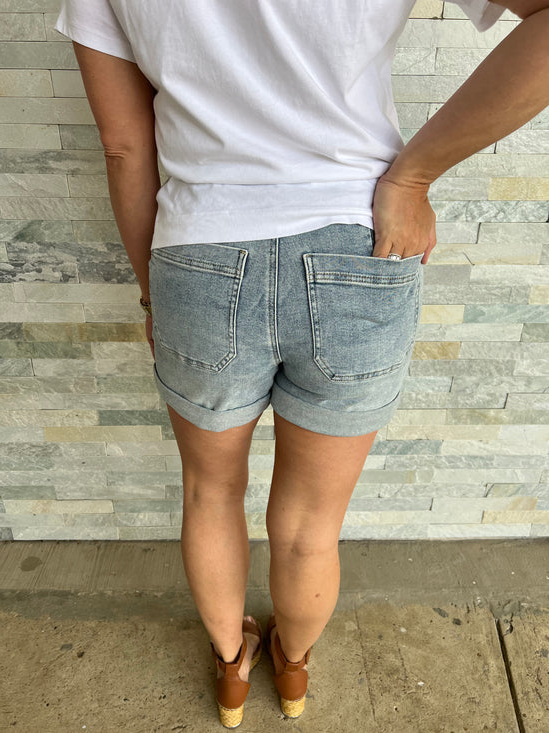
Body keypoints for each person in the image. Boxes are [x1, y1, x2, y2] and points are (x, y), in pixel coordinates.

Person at [54, 0, 549, 727]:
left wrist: (155, 293)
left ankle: (232, 669)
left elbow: (125, 147)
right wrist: (411, 178)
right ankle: (292, 668)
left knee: (209, 491)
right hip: (359, 245)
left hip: (199, 250)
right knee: (311, 521)